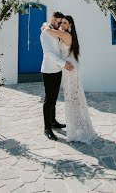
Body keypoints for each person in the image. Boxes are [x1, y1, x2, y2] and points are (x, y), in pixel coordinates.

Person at [44, 15, 98, 144]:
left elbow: (49, 31)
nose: (62, 24)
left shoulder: (66, 35)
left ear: (70, 25)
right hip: (67, 67)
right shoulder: (64, 34)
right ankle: (77, 126)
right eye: (61, 22)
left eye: (65, 23)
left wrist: (45, 25)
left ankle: (78, 128)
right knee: (72, 96)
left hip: (70, 68)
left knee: (73, 97)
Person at [40, 11, 74, 141]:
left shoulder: (55, 30)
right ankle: (47, 127)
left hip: (58, 70)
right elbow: (48, 53)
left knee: (54, 98)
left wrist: (62, 65)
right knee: (48, 99)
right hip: (48, 70)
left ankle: (53, 121)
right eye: (58, 21)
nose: (60, 24)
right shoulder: (45, 33)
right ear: (53, 19)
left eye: (61, 22)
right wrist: (64, 63)